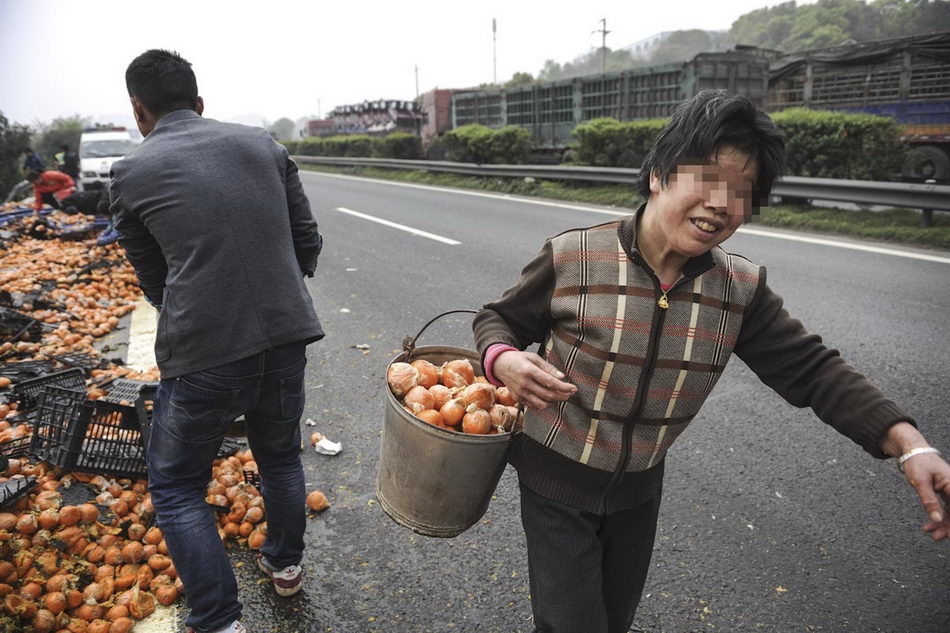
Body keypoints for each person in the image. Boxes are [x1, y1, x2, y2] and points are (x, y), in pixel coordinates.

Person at [472, 89, 950, 633]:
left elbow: (814, 370)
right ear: (659, 175)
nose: (722, 204)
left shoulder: (739, 289)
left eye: (742, 192)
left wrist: (913, 446)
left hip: (637, 493)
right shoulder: (575, 256)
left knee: (614, 618)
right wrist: (502, 358)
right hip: (553, 482)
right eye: (708, 180)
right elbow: (500, 319)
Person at [111, 49, 324, 633]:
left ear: (138, 109)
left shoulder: (130, 173)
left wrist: (201, 308)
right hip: (286, 335)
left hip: (203, 349)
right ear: (199, 102)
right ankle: (285, 566)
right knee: (280, 456)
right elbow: (306, 239)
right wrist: (275, 294)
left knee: (178, 486)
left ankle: (218, 619)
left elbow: (153, 277)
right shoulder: (263, 145)